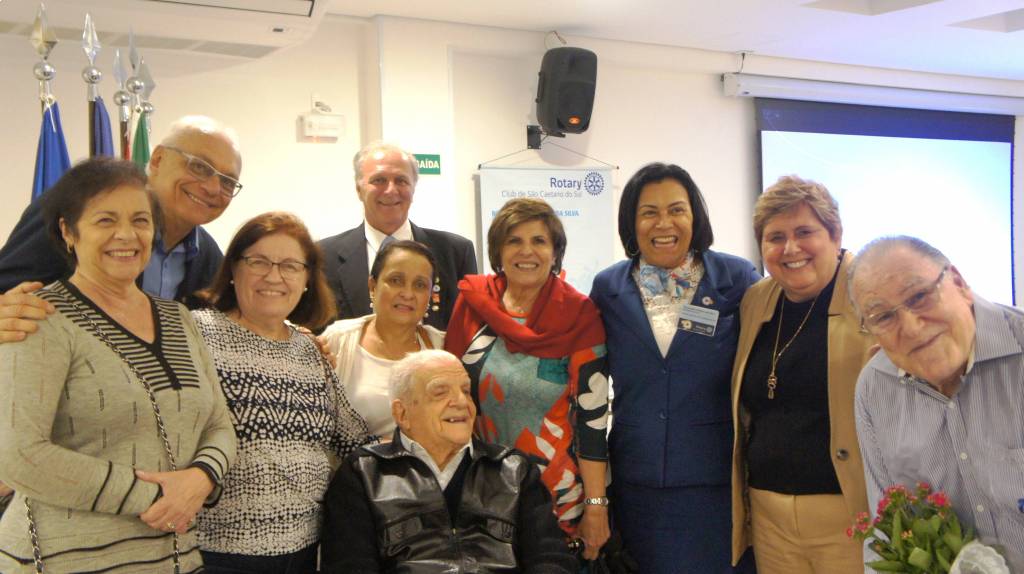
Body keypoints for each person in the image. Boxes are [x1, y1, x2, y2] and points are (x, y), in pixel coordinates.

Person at [0, 157, 236, 572]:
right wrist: (160, 497)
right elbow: (20, 455)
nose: (126, 235)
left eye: (140, 221)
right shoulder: (37, 316)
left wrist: (201, 479)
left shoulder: (179, 318)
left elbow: (219, 422)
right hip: (67, 560)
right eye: (105, 220)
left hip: (175, 556)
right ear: (68, 231)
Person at [589, 162, 760, 574]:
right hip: (638, 481)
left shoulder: (737, 279)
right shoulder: (608, 288)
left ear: (694, 216)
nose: (663, 223)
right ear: (631, 223)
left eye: (676, 210)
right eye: (649, 212)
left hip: (717, 482)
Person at [190, 212, 377, 573]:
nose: (274, 277)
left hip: (305, 552)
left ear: (307, 280)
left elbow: (353, 438)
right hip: (216, 553)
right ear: (233, 269)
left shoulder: (310, 351)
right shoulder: (195, 333)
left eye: (290, 266)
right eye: (258, 262)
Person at [444, 198, 610, 560]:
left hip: (556, 499)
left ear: (555, 252)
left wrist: (597, 506)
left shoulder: (580, 316)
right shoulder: (473, 303)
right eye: (514, 241)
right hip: (480, 492)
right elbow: (446, 394)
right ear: (498, 251)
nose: (527, 251)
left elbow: (592, 419)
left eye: (539, 241)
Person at [849, 235, 1024, 570]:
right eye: (883, 317)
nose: (912, 328)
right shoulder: (875, 390)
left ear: (958, 282)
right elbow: (886, 534)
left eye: (919, 296)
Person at [321, 349, 577, 573]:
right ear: (402, 413)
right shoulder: (364, 473)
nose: (462, 402)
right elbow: (350, 566)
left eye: (466, 390)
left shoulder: (513, 469)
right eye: (440, 392)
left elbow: (550, 559)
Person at [729, 176, 872, 573]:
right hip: (769, 517)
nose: (790, 249)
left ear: (835, 235)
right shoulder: (757, 300)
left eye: (804, 232)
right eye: (775, 237)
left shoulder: (870, 294)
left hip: (850, 515)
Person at [0, 114, 242, 343]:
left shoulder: (209, 259)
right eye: (199, 167)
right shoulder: (77, 211)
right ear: (158, 159)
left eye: (227, 182)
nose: (213, 188)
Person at [318, 142, 477, 330]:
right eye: (379, 180)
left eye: (401, 181)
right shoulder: (323, 257)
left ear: (413, 189)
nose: (391, 190)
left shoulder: (456, 252)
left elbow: (471, 332)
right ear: (359, 190)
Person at [319, 239, 445, 437]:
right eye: (396, 280)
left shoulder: (443, 347)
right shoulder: (337, 341)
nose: (408, 294)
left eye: (420, 285)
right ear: (373, 286)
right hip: (352, 457)